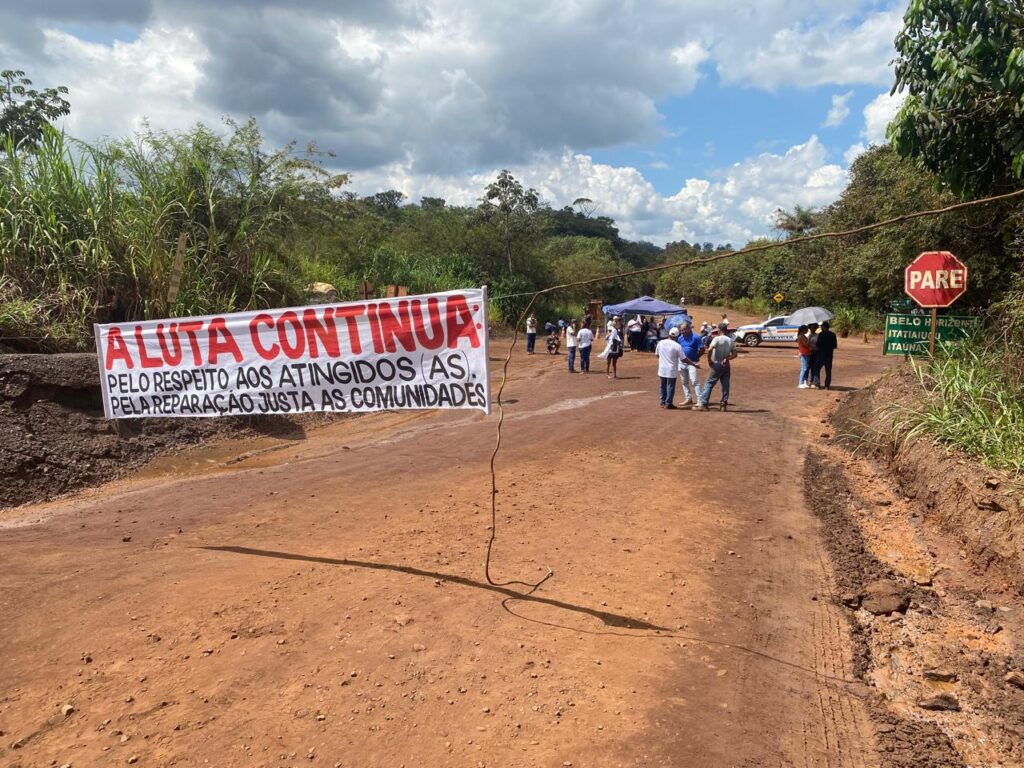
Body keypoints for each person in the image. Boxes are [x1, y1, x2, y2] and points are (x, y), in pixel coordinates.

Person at [698, 322, 737, 411]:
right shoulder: (730, 340)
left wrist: (709, 360)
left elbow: (710, 349)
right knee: (725, 385)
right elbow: (735, 354)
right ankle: (723, 404)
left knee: (709, 383)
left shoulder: (716, 339)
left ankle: (703, 403)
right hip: (726, 365)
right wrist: (728, 358)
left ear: (719, 329)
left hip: (717, 363)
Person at [676, 321, 704, 407]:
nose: (682, 332)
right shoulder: (680, 338)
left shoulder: (696, 337)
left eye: (684, 330)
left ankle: (700, 400)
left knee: (694, 381)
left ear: (689, 328)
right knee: (684, 381)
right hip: (681, 362)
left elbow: (702, 349)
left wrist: (697, 356)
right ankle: (688, 398)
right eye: (681, 330)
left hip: (692, 362)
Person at [656, 327, 684, 409]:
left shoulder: (661, 342)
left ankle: (662, 402)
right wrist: (693, 364)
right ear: (677, 336)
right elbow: (683, 358)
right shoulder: (677, 346)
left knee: (662, 385)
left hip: (662, 368)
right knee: (670, 386)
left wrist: (663, 359)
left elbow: (657, 355)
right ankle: (668, 403)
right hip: (671, 369)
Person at [812, 321, 838, 389]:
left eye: (821, 326)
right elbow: (835, 346)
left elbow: (818, 345)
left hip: (821, 354)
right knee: (828, 370)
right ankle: (827, 385)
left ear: (824, 327)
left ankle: (817, 384)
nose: (821, 328)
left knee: (816, 368)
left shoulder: (821, 334)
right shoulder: (833, 334)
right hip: (829, 355)